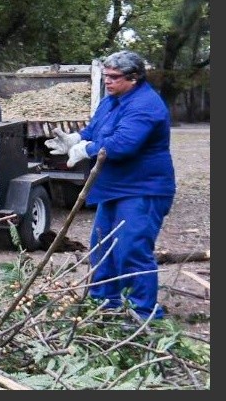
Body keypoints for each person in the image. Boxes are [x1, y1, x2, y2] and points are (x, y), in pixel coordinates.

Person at [45, 50, 176, 320]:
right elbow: (95, 129)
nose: (108, 81)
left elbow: (124, 145)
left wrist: (87, 149)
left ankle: (142, 313)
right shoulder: (111, 101)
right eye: (106, 76)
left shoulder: (146, 105)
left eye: (114, 77)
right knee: (102, 248)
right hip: (114, 188)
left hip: (143, 189)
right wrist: (75, 138)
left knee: (131, 250)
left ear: (135, 78)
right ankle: (105, 305)